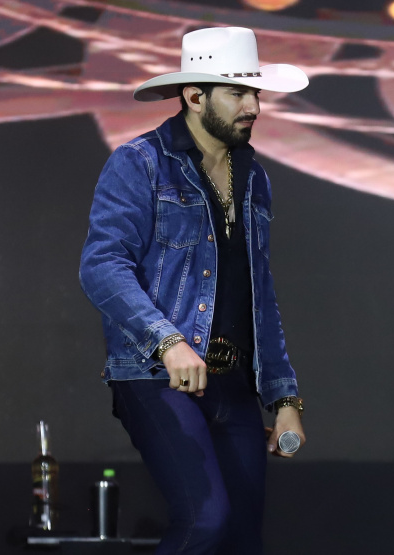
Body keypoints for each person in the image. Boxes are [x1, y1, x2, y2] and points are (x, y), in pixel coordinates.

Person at [79, 27, 308, 554]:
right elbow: (102, 265)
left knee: (242, 539)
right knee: (204, 521)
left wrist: (284, 396)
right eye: (238, 92)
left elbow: (259, 294)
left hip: (235, 383)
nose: (254, 105)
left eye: (256, 92)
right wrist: (168, 341)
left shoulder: (255, 179)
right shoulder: (140, 163)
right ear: (194, 96)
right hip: (159, 374)